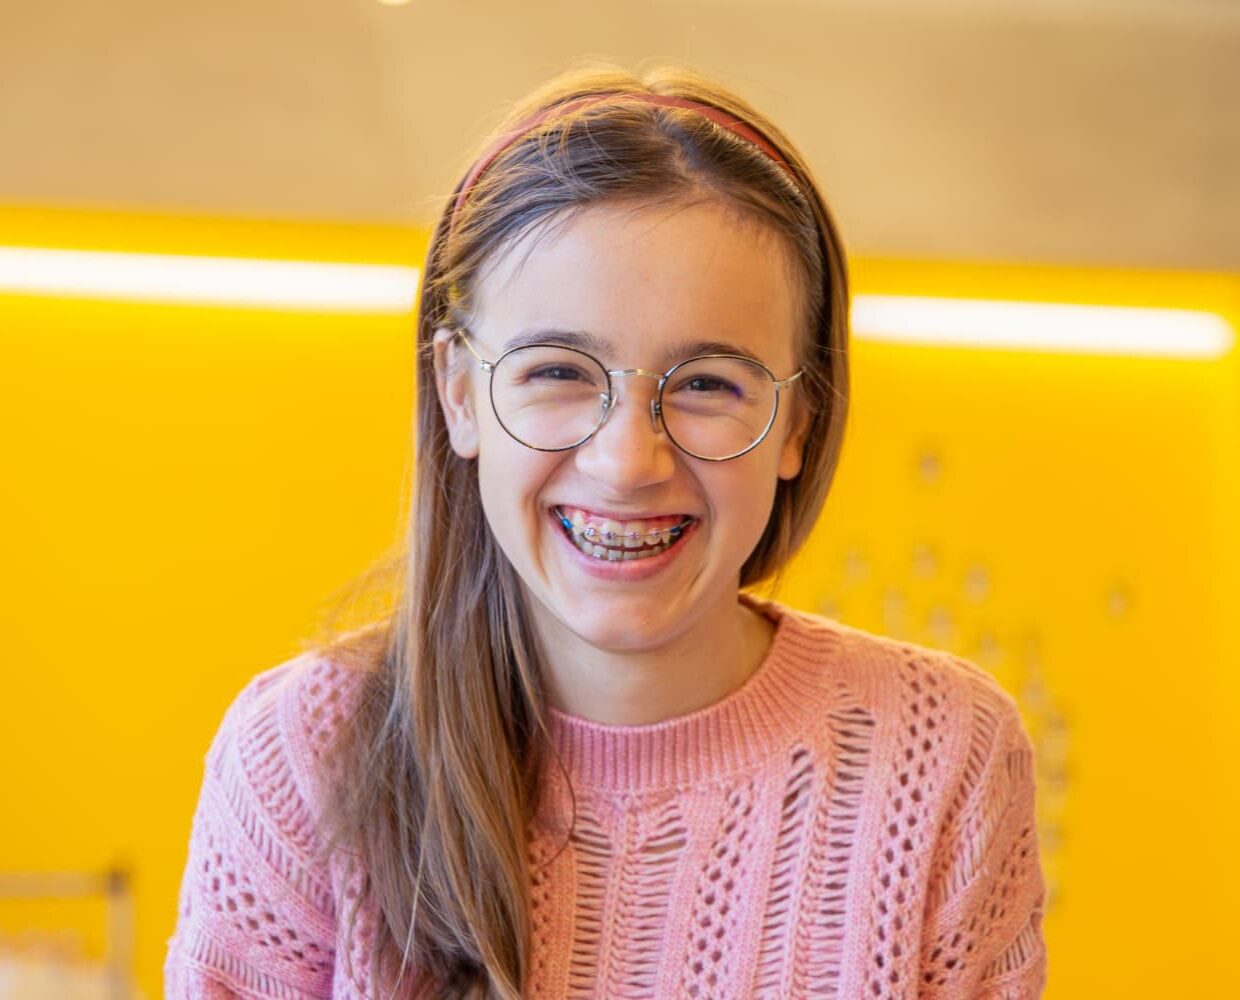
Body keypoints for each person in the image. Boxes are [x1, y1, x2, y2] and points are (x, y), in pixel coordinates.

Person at [164, 64, 1047, 999]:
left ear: (798, 423)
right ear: (460, 395)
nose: (628, 462)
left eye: (708, 383)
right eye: (558, 371)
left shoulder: (944, 756)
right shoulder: (302, 755)